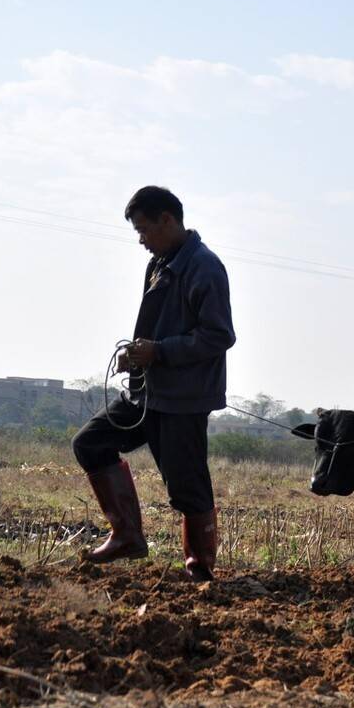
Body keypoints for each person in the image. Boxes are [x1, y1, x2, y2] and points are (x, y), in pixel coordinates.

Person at [72, 186, 235, 581]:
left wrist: (160, 351)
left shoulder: (204, 267)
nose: (142, 240)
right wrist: (135, 355)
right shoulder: (161, 263)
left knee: (186, 484)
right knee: (90, 442)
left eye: (145, 230)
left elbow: (219, 335)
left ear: (168, 220)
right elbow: (154, 327)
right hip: (147, 392)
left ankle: (200, 568)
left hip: (183, 398)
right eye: (138, 232)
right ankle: (127, 534)